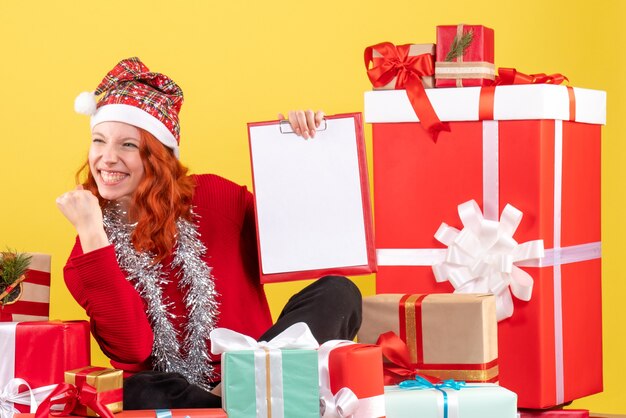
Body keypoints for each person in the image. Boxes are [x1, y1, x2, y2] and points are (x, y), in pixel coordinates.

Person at [56, 57, 362, 409]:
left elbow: (298, 238)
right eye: (99, 141)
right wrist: (93, 235)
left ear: (160, 156)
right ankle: (244, 401)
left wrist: (297, 152)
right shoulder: (86, 255)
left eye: (128, 145)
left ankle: (240, 389)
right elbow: (133, 348)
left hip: (255, 360)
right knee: (135, 390)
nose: (106, 158)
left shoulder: (218, 197)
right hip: (172, 387)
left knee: (339, 292)